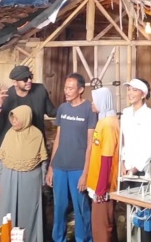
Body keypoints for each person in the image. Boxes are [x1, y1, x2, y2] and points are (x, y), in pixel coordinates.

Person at [47, 73, 97, 242]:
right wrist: (51, 167)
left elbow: (90, 144)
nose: (66, 91)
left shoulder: (89, 109)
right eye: (65, 88)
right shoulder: (62, 108)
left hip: (78, 168)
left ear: (81, 89)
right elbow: (58, 139)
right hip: (60, 166)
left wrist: (85, 173)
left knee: (81, 208)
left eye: (70, 88)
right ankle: (58, 238)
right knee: (59, 207)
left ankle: (84, 239)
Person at [0, 105, 48, 242]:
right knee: (7, 214)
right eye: (12, 118)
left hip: (30, 182)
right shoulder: (9, 134)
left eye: (17, 118)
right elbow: (2, 161)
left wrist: (42, 184)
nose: (13, 121)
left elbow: (43, 161)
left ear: (26, 118)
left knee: (28, 213)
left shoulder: (36, 135)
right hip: (9, 178)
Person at [120, 78, 151, 242]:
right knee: (130, 214)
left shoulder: (150, 116)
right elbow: (123, 141)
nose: (130, 93)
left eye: (134, 90)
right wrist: (122, 162)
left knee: (144, 216)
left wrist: (135, 168)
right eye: (129, 89)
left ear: (143, 94)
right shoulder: (125, 113)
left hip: (141, 172)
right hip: (125, 171)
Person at [86, 87, 120, 242]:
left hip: (103, 186)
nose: (92, 103)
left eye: (94, 99)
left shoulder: (109, 125)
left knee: (101, 229)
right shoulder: (103, 121)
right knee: (103, 226)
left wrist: (100, 189)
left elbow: (107, 158)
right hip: (97, 182)